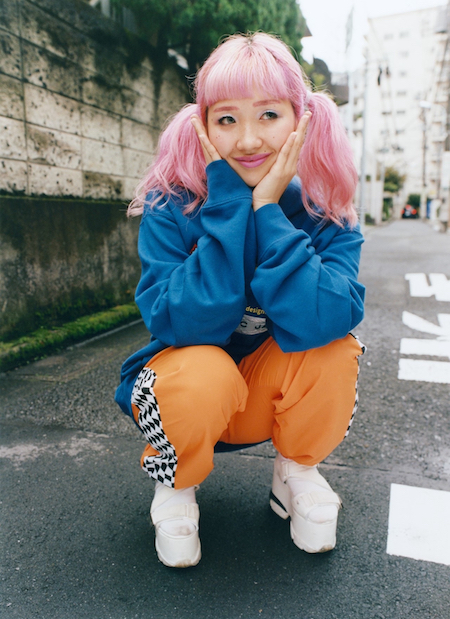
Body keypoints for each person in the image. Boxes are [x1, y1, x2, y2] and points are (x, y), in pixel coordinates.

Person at [115, 32, 366, 568]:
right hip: (183, 401)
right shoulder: (171, 207)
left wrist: (269, 211)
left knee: (334, 347)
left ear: (301, 120)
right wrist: (230, 206)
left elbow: (327, 317)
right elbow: (182, 323)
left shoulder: (326, 214)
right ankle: (176, 483)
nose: (248, 139)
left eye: (269, 114)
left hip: (265, 403)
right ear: (202, 127)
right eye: (226, 119)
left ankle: (295, 472)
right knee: (202, 369)